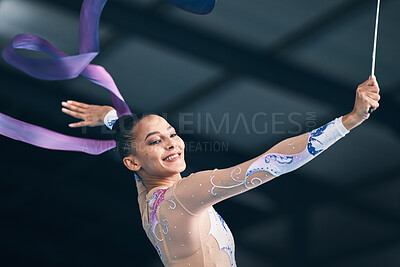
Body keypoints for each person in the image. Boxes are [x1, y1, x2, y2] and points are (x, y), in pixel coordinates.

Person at [60, 77, 380, 266]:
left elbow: (131, 148)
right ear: (133, 161)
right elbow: (269, 164)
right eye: (157, 141)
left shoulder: (147, 197)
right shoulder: (184, 195)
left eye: (173, 134)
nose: (172, 144)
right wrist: (348, 121)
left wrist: (112, 120)